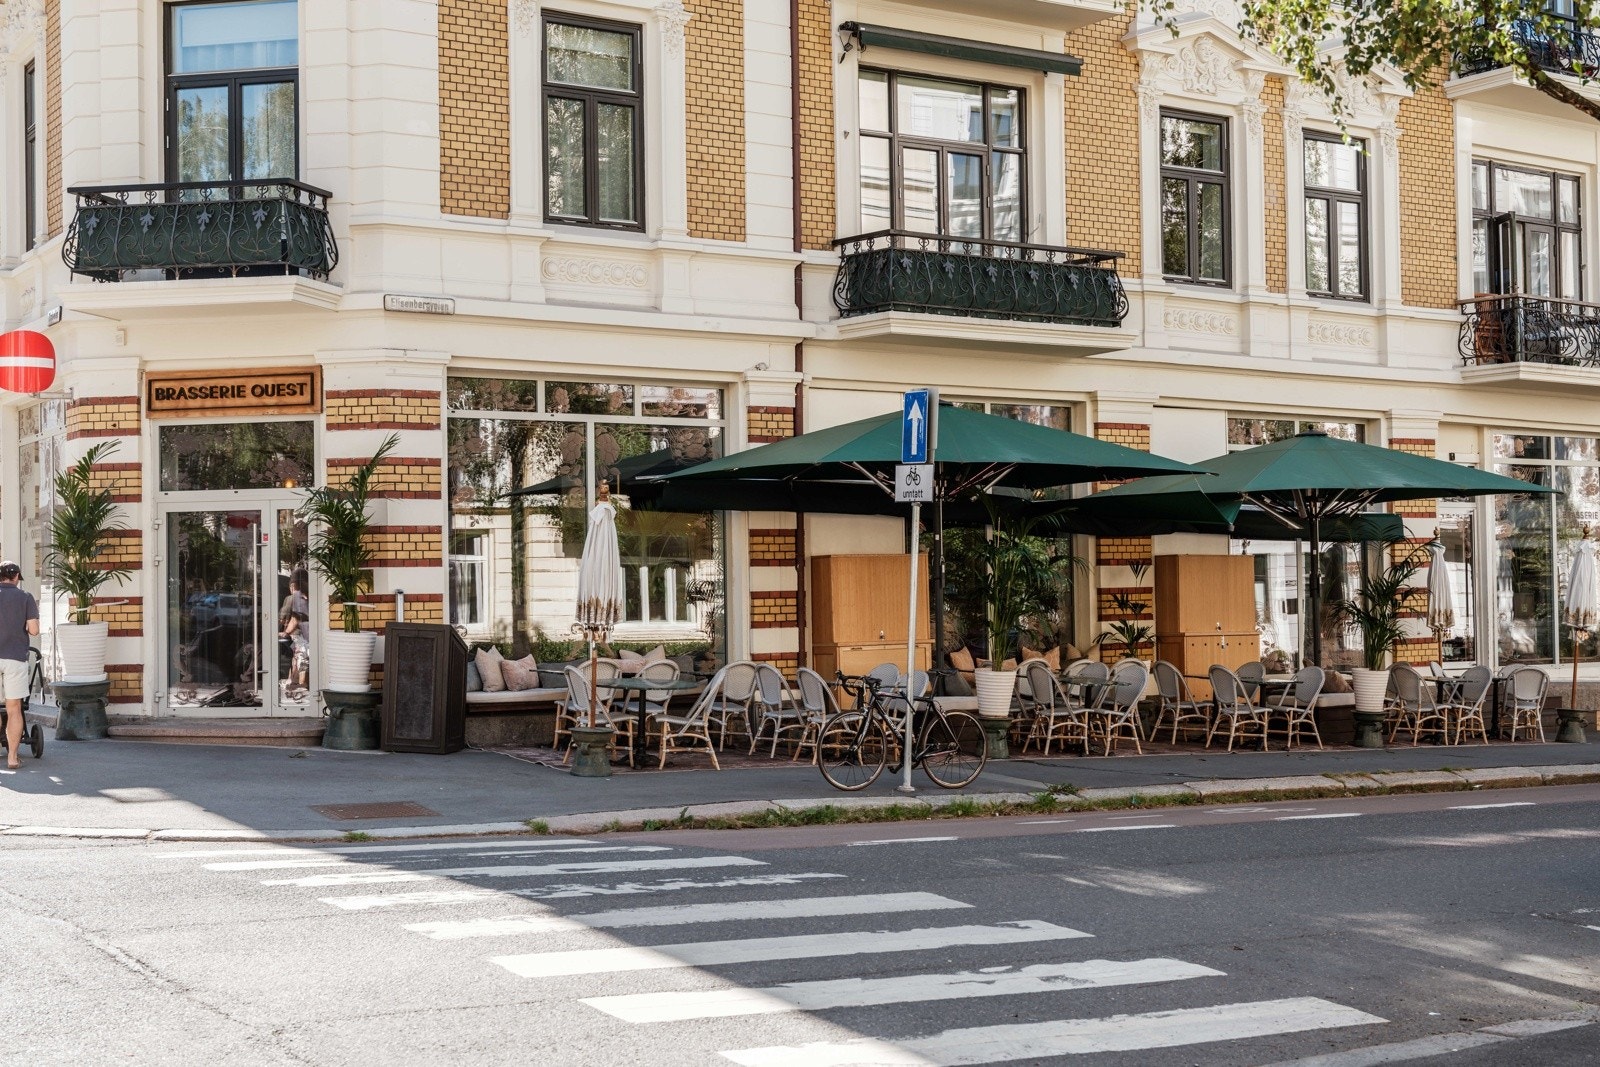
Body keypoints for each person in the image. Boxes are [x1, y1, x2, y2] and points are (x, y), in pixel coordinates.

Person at [0, 561, 40, 770]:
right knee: (14, 709)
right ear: (16, 577)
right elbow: (33, 630)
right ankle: (12, 758)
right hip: (15, 658)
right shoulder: (25, 598)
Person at [278, 573, 310, 696]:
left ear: (292, 586)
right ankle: (293, 682)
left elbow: (292, 618)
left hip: (299, 634)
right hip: (308, 633)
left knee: (300, 658)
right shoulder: (309, 595)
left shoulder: (292, 598)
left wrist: (285, 632)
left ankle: (300, 684)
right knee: (298, 657)